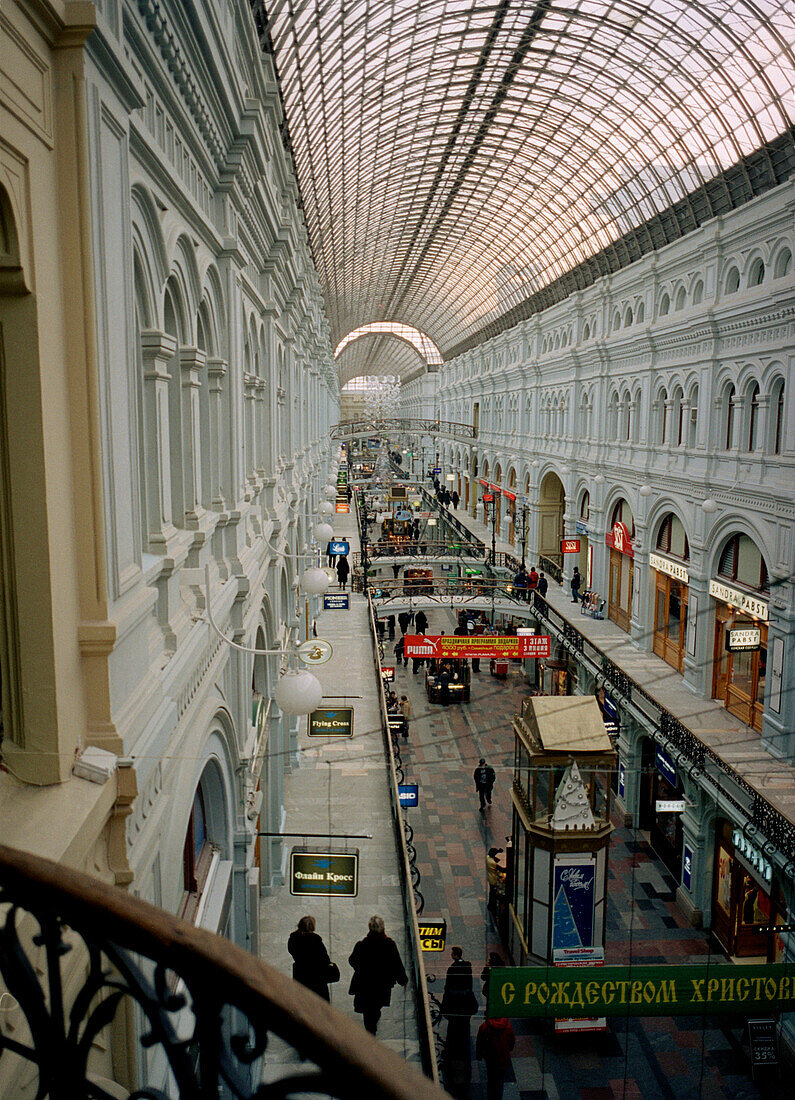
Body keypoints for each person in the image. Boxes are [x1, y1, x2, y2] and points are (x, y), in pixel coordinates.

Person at [348, 915, 408, 1035]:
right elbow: (397, 965)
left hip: (365, 985)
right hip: (382, 986)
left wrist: (360, 968)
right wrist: (403, 980)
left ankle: (370, 1030)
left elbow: (352, 960)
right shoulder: (389, 945)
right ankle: (372, 1028)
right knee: (376, 1007)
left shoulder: (361, 945)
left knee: (367, 1011)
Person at [441, 946, 477, 1094]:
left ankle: (451, 1061)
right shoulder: (468, 967)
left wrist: (445, 1006)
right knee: (464, 1033)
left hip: (455, 1007)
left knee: (453, 1034)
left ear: (455, 955)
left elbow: (448, 989)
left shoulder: (452, 970)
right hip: (465, 1007)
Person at [287, 915, 334, 1002]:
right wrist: (331, 964)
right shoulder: (315, 940)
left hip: (300, 977)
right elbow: (325, 960)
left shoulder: (293, 939)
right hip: (317, 979)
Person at [476, 1016, 515, 1100]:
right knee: (500, 1082)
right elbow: (511, 1041)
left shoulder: (485, 1026)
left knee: (491, 1080)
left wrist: (479, 1054)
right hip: (503, 1058)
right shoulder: (507, 1025)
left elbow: (480, 1042)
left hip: (491, 1059)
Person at [486, 847, 506, 913]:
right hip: (493, 879)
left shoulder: (488, 857)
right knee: (493, 893)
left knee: (491, 892)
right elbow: (502, 869)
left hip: (490, 877)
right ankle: (492, 906)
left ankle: (491, 905)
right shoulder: (492, 863)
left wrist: (498, 852)